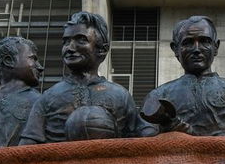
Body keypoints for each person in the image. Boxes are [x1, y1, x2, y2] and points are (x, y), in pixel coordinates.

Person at [17, 12, 139, 144]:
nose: (69, 48)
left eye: (81, 40)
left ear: (102, 50)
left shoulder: (121, 95)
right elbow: (27, 148)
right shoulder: (48, 97)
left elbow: (143, 141)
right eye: (66, 41)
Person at [138, 16, 225, 137]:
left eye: (204, 41)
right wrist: (170, 135)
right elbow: (144, 144)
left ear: (216, 47)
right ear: (176, 49)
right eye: (188, 42)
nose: (197, 49)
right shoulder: (158, 96)